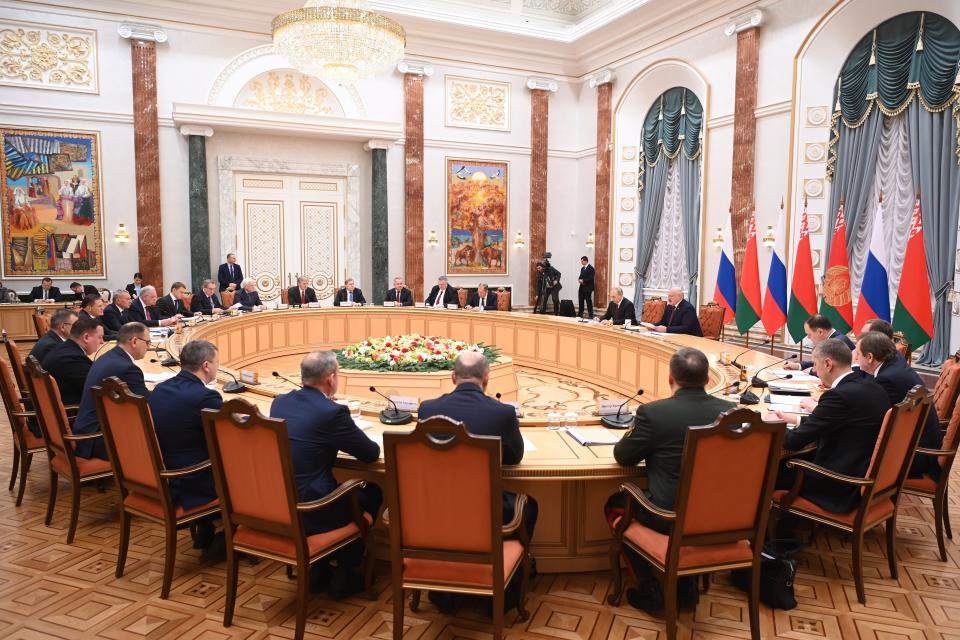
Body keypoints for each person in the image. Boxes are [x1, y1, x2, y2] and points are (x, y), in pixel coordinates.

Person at [607, 347, 735, 614]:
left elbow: (623, 456)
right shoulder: (731, 412)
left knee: (615, 505)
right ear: (707, 379)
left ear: (670, 378)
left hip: (668, 517)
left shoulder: (654, 413)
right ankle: (686, 585)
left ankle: (649, 588)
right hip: (721, 515)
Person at [417, 351, 538, 614]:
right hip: (485, 512)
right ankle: (508, 586)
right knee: (530, 506)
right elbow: (515, 458)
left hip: (435, 511)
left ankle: (442, 589)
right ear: (486, 379)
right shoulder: (502, 413)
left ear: (452, 377)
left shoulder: (427, 409)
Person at [270, 351, 382, 599]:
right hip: (312, 509)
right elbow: (370, 453)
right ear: (331, 379)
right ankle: (345, 570)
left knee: (332, 484)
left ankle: (319, 567)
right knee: (372, 491)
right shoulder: (331, 412)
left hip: (279, 505)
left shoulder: (280, 402)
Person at [765, 339, 891, 514]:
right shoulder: (873, 387)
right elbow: (834, 423)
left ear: (828, 364)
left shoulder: (838, 396)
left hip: (840, 481)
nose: (815, 370)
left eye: (816, 364)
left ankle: (777, 533)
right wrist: (793, 420)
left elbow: (793, 442)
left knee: (766, 469)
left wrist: (775, 424)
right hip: (863, 470)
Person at [149, 340, 223, 554]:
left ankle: (206, 527)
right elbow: (224, 440)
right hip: (191, 481)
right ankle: (233, 535)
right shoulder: (206, 396)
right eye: (217, 362)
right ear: (206, 366)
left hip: (165, 474)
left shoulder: (161, 389)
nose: (218, 366)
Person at [855, 332, 942, 479]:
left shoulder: (887, 379)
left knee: (850, 447)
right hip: (919, 445)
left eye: (857, 354)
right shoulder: (893, 364)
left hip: (915, 456)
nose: (855, 358)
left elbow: (868, 416)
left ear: (870, 357)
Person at [72, 322, 152, 460]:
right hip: (100, 439)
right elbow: (147, 405)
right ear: (134, 341)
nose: (149, 346)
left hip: (86, 433)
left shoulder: (108, 356)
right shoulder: (127, 368)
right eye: (148, 342)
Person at [39, 316, 103, 407]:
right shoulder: (71, 359)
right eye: (100, 337)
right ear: (86, 337)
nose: (102, 342)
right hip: (72, 412)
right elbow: (97, 388)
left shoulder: (66, 348)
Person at [785, 314, 855, 371]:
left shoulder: (836, 343)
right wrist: (798, 366)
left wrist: (811, 371)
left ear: (820, 332)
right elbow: (819, 363)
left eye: (809, 334)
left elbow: (831, 371)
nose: (808, 338)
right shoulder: (833, 338)